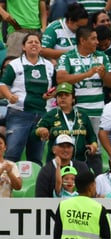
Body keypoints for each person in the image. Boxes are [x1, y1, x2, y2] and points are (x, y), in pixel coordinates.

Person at [57, 25, 111, 175]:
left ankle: (95, 182)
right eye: (93, 39)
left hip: (98, 111)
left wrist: (103, 75)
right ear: (82, 41)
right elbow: (61, 78)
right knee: (75, 147)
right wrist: (87, 74)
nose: (97, 42)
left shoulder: (102, 57)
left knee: (95, 150)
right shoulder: (68, 57)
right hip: (77, 112)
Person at [0, 32, 56, 166]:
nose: (34, 44)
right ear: (23, 47)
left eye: (37, 42)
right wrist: (9, 96)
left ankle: (35, 185)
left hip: (42, 116)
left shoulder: (49, 66)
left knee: (36, 156)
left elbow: (56, 87)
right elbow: (2, 84)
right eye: (30, 42)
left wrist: (51, 94)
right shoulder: (14, 64)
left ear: (41, 47)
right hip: (19, 113)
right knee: (12, 153)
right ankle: (6, 183)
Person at [34, 82, 98, 165]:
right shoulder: (51, 115)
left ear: (73, 98)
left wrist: (94, 146)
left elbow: (92, 136)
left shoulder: (83, 115)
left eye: (66, 95)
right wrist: (39, 131)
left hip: (79, 162)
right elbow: (33, 134)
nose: (63, 97)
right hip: (56, 163)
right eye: (60, 95)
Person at [53, 170, 111, 239]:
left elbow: (56, 237)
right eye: (95, 184)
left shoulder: (63, 205)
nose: (95, 187)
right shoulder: (99, 209)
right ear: (90, 187)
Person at [0, 133, 22, 197]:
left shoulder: (12, 165)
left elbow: (18, 187)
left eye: (0, 143)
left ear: (5, 147)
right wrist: (1, 170)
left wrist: (10, 173)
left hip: (7, 204)